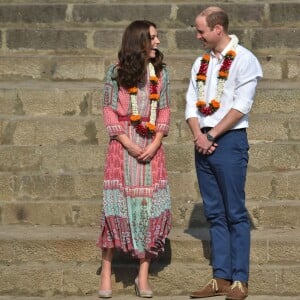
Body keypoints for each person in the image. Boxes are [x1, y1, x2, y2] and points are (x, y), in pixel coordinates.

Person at [185, 6, 263, 300]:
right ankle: (220, 277)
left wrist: (212, 135)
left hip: (228, 141)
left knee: (234, 212)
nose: (197, 36)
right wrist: (198, 135)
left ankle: (239, 279)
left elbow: (242, 105)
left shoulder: (244, 60)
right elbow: (191, 101)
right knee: (214, 212)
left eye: (201, 30)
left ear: (218, 29)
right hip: (202, 139)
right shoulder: (201, 62)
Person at [96, 20, 171, 298]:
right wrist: (126, 141)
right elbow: (108, 110)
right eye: (152, 37)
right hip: (122, 145)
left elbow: (164, 110)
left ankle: (142, 274)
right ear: (138, 41)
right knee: (114, 208)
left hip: (152, 145)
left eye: (157, 37)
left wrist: (156, 142)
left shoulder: (161, 73)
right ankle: (106, 271)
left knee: (149, 208)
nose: (158, 42)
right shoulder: (114, 74)